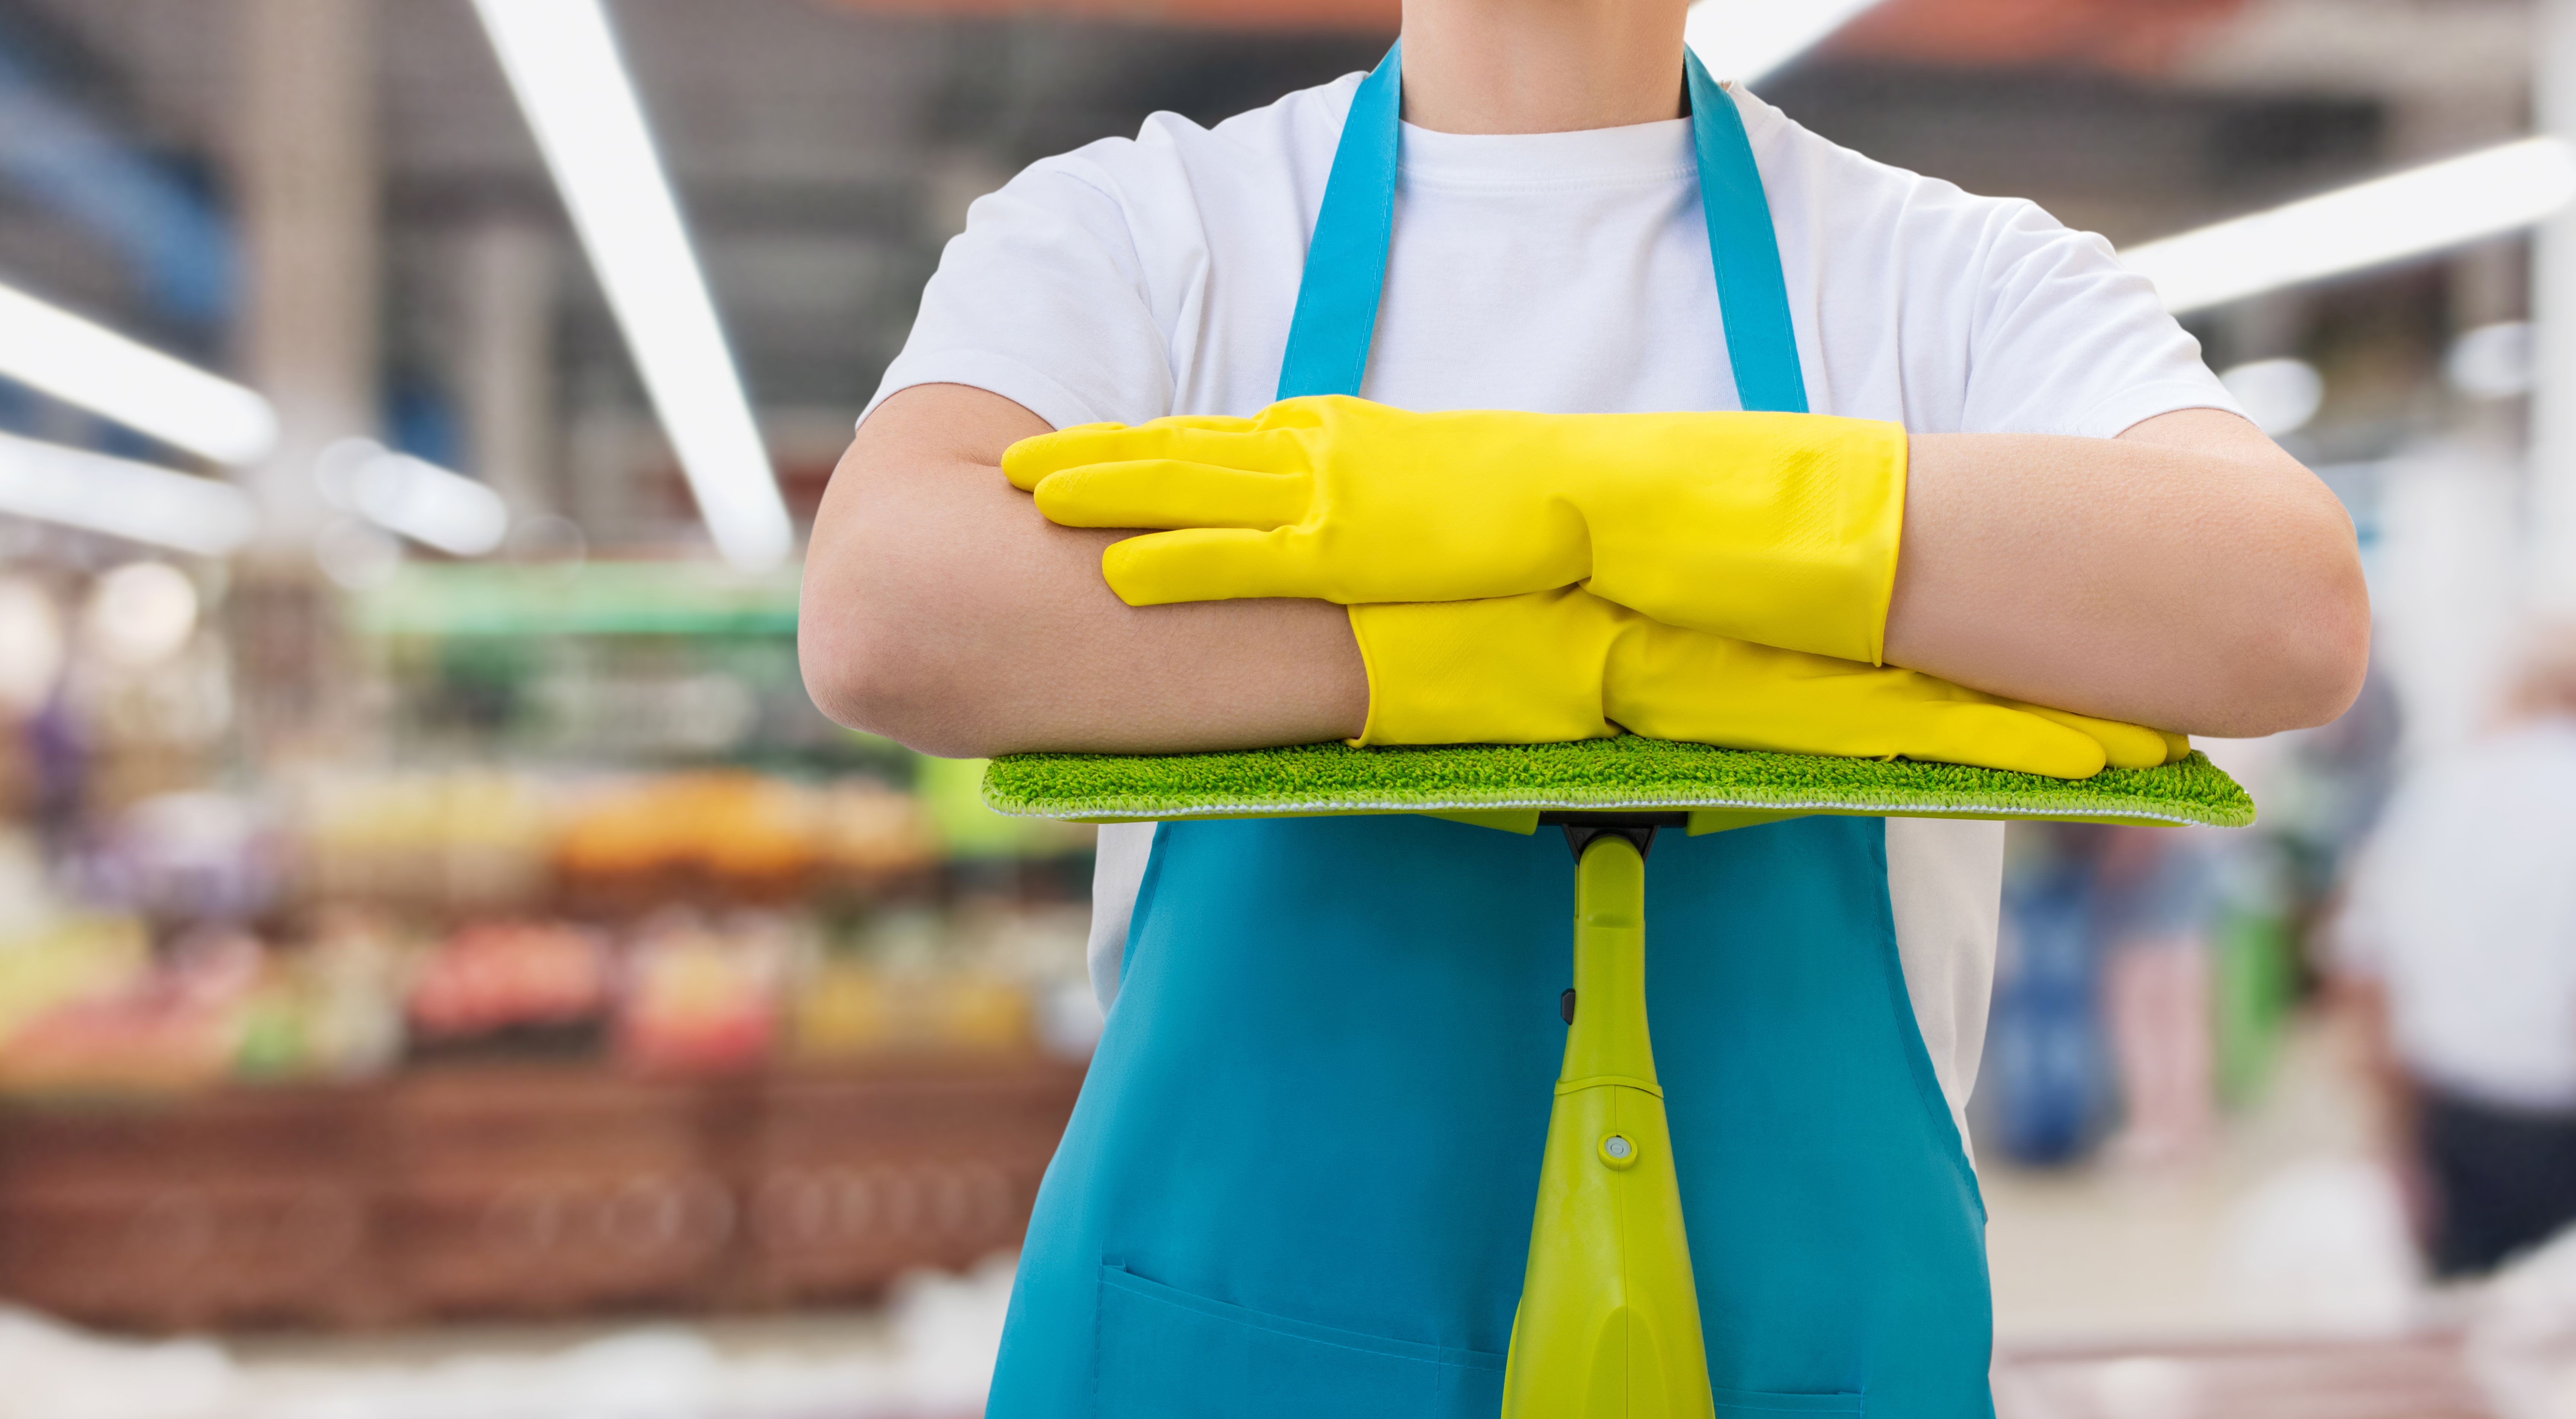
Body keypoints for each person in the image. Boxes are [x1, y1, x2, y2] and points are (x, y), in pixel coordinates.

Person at [802, 1, 2366, 1413]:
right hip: (1229, 1346)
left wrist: (1569, 509)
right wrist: (1609, 662)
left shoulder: (1951, 275)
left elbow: (2281, 608)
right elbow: (891, 608)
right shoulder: (1153, 231)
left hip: (1796, 1359)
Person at [2331, 637, 2576, 1278]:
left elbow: (2363, 971)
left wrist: (2394, 1144)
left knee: (2464, 1334)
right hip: (2560, 1119)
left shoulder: (2441, 789)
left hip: (2456, 1120)